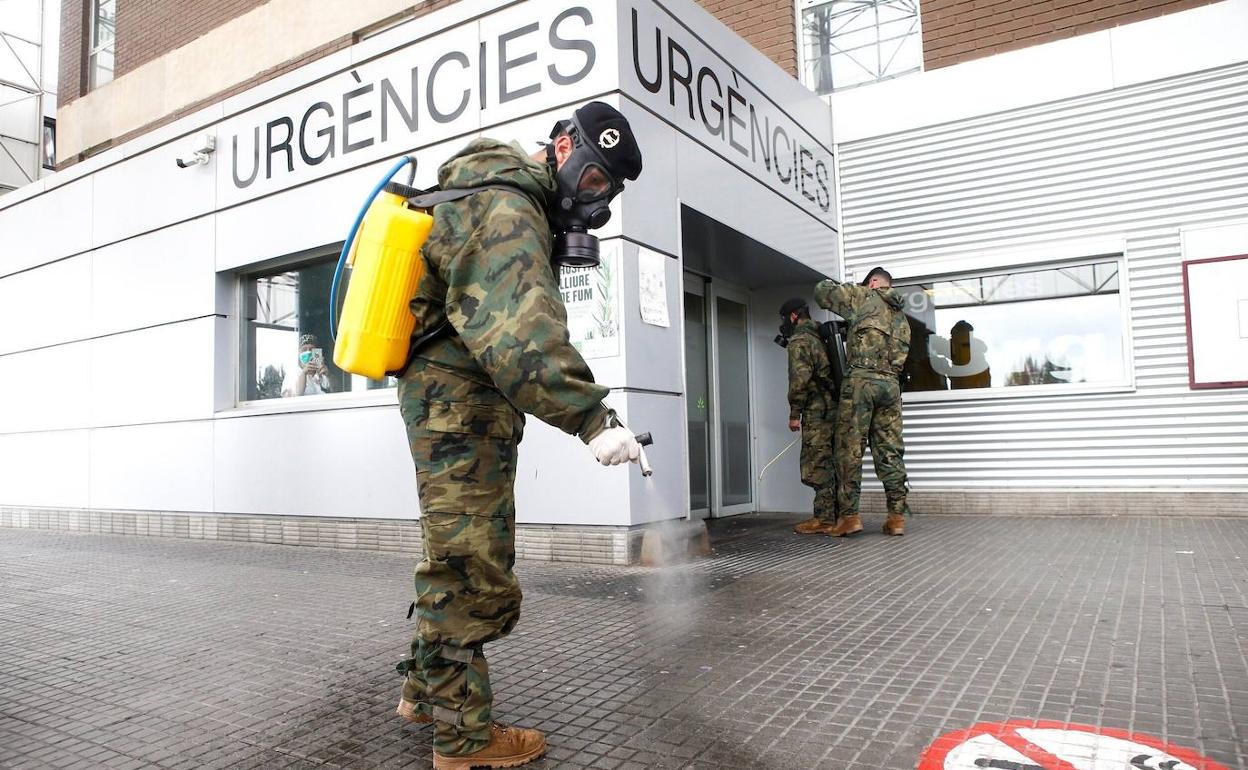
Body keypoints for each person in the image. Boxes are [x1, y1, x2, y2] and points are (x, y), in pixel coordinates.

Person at [392, 102, 643, 770]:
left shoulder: (496, 195)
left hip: (457, 405)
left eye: (607, 192)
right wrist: (592, 418)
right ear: (563, 147)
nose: (597, 199)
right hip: (460, 408)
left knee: (456, 553)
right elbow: (521, 336)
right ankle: (465, 742)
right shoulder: (508, 210)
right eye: (594, 181)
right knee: (468, 569)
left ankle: (425, 694)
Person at [814, 266, 912, 537]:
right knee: (890, 450)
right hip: (891, 386)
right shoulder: (902, 317)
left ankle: (849, 517)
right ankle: (896, 518)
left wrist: (847, 284)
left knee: (849, 448)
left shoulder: (863, 296)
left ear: (873, 282)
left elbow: (822, 291)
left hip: (861, 383)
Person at [777, 298, 839, 535]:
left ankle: (824, 519)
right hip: (831, 409)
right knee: (830, 460)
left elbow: (799, 380)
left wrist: (795, 413)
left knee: (817, 463)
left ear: (793, 316)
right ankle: (836, 514)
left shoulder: (800, 341)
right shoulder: (819, 337)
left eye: (785, 319)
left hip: (817, 411)